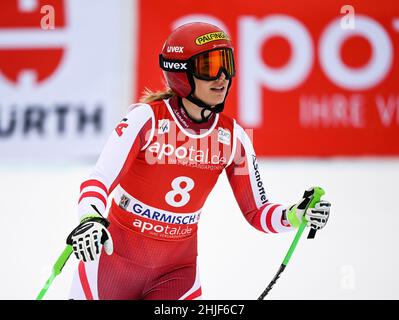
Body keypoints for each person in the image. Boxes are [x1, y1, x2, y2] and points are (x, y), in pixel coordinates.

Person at [67, 22, 331, 300]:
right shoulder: (145, 119)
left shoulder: (234, 138)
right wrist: (91, 219)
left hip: (176, 278)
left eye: (227, 63)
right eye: (209, 67)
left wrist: (296, 214)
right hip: (111, 268)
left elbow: (258, 213)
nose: (222, 77)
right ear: (181, 73)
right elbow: (98, 181)